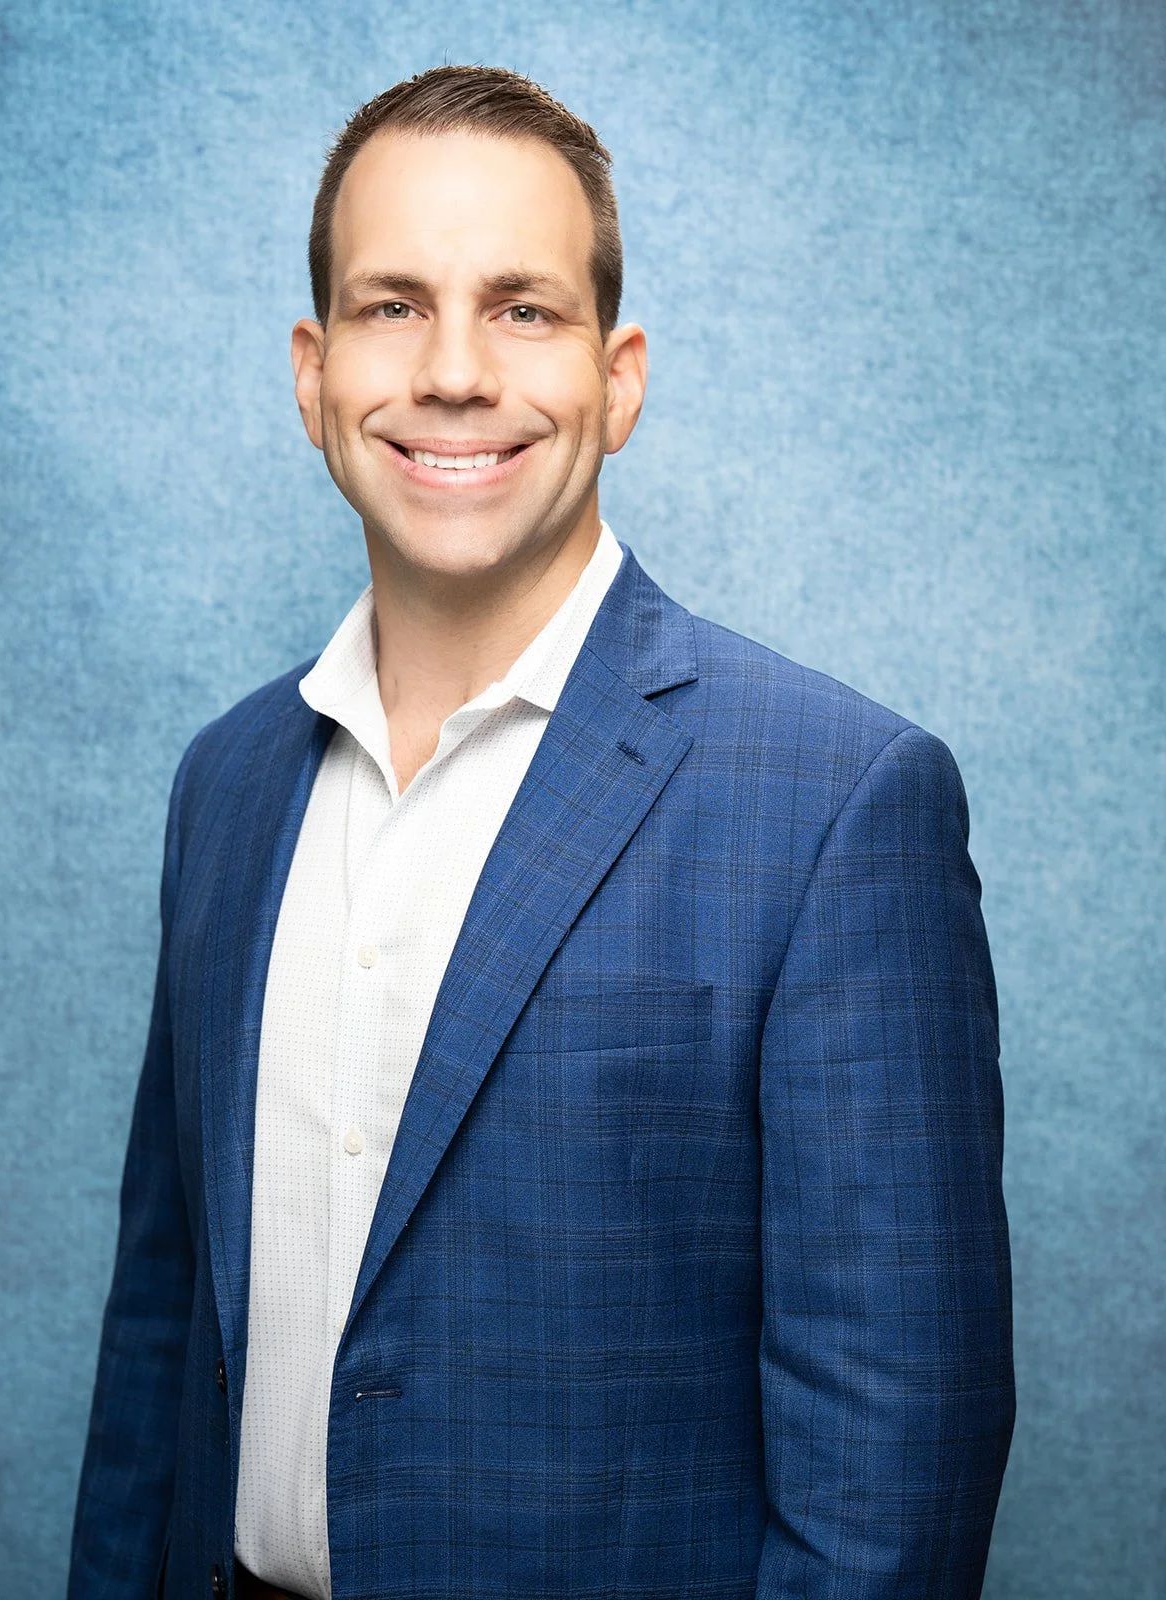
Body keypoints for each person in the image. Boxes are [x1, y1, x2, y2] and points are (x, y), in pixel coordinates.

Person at [69, 64, 1014, 1600]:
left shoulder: (838, 804)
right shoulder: (226, 787)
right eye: (393, 306)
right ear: (313, 374)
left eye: (522, 308)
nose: (454, 372)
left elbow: (890, 1477)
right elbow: (158, 1334)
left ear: (618, 379)